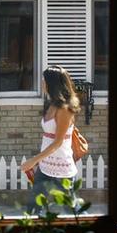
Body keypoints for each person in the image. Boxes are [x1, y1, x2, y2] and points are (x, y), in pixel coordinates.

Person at [21, 65, 80, 216]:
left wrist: (33, 161)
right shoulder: (51, 104)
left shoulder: (65, 109)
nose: (41, 83)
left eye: (44, 80)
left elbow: (58, 142)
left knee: (71, 211)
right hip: (45, 167)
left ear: (51, 84)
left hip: (63, 170)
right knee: (33, 209)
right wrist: (39, 162)